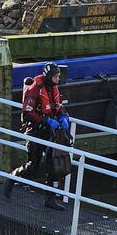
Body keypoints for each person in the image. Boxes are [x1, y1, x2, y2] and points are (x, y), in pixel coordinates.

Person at [4, 62, 71, 211]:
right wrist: (46, 120)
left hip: (49, 132)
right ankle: (11, 178)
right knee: (33, 167)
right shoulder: (35, 89)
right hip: (35, 131)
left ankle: (50, 199)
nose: (58, 79)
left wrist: (63, 117)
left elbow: (59, 108)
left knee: (52, 165)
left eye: (59, 76)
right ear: (48, 77)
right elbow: (27, 113)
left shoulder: (54, 88)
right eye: (56, 76)